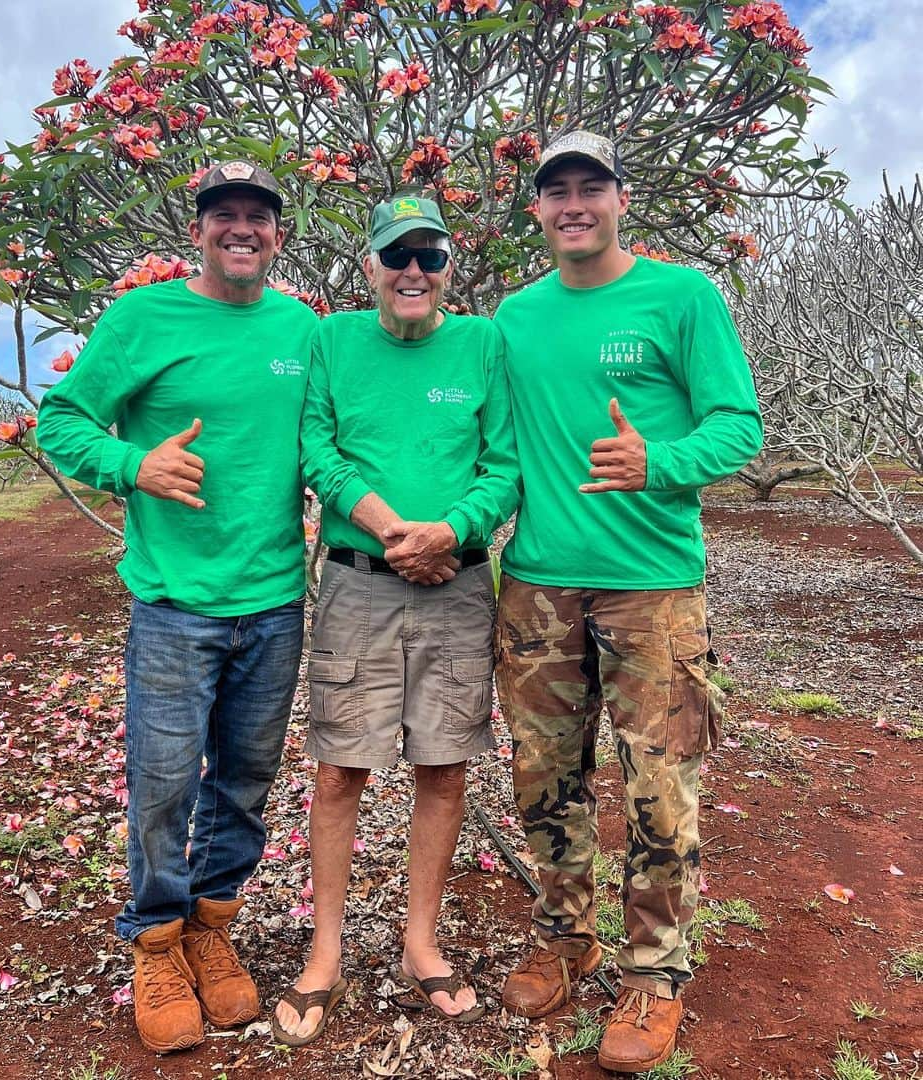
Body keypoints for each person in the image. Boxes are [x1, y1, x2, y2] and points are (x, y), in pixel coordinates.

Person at [492, 130, 762, 1073]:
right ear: (536, 209)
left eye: (590, 188)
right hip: (536, 587)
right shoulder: (514, 318)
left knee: (659, 786)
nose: (574, 204)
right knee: (545, 778)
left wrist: (660, 462)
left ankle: (655, 971)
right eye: (555, 190)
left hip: (653, 589)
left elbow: (739, 427)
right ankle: (565, 937)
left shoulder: (683, 296)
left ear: (620, 198)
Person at [37, 160, 318, 1054]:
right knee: (162, 785)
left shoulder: (300, 328)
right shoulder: (142, 318)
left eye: (258, 217)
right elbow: (63, 419)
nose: (242, 229)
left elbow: (338, 437)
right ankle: (156, 942)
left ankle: (212, 926)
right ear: (197, 230)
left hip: (274, 601)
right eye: (223, 214)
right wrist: (134, 466)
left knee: (243, 782)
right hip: (173, 604)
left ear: (278, 234)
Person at [271, 194, 520, 1046]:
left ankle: (421, 942)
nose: (413, 270)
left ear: (449, 267)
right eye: (397, 254)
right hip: (358, 582)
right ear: (370, 265)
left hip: (455, 582)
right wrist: (389, 529)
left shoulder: (483, 344)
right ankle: (325, 951)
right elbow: (317, 448)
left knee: (443, 766)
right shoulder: (331, 339)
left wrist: (450, 531)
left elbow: (504, 464)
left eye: (430, 255)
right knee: (342, 769)